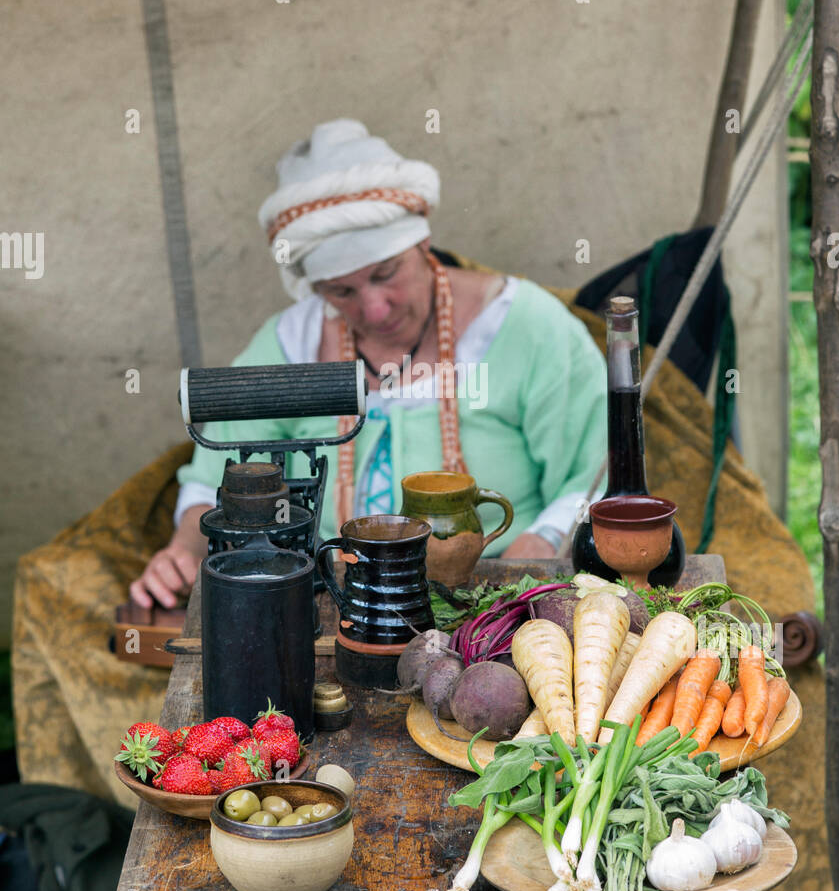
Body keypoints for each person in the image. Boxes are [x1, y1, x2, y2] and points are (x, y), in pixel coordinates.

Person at [131, 119, 607, 609]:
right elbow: (215, 473)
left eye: (387, 273)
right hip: (324, 597)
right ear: (315, 288)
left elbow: (594, 476)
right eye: (342, 292)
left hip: (493, 598)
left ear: (422, 244)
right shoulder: (289, 343)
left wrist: (544, 544)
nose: (375, 309)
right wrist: (184, 550)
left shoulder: (528, 327)